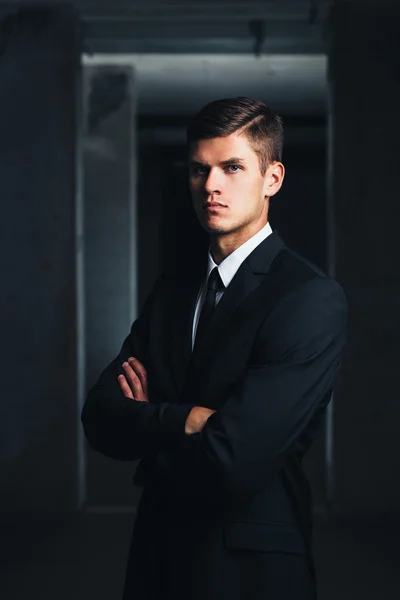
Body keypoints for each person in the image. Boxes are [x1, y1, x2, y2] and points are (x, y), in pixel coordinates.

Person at [81, 97, 347, 600]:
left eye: (232, 167)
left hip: (250, 569)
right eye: (199, 170)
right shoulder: (173, 292)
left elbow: (236, 459)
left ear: (272, 178)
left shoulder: (307, 297)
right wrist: (184, 420)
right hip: (157, 560)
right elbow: (100, 415)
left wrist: (149, 423)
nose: (211, 186)